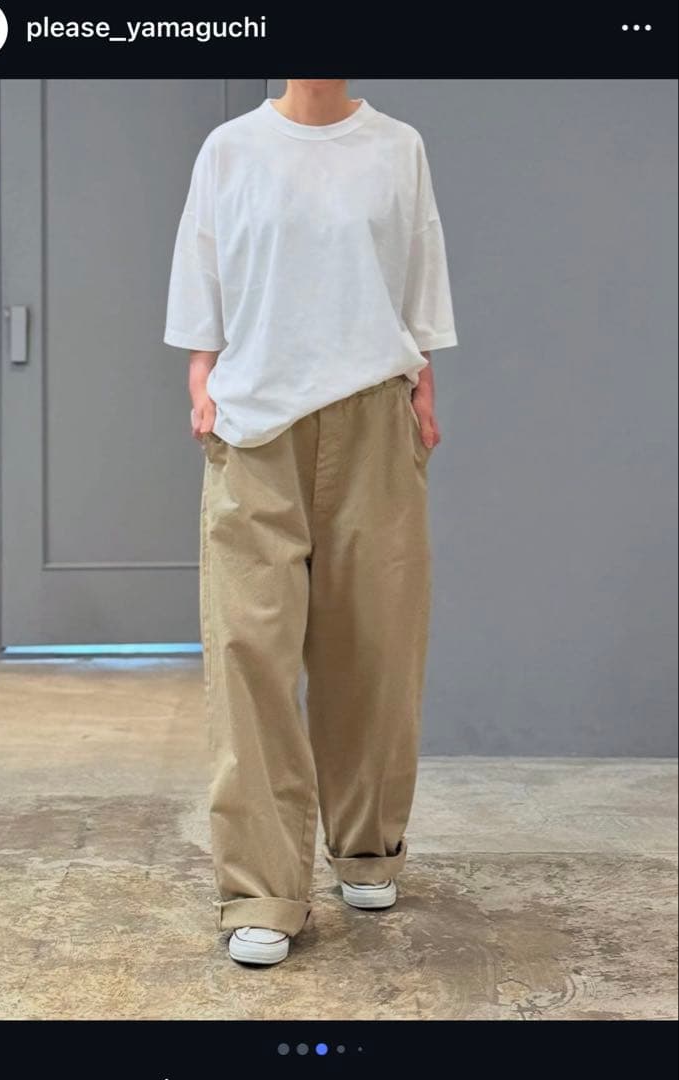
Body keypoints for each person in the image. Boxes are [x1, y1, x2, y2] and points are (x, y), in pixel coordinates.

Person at [164, 78, 458, 966]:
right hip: (256, 425)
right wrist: (201, 373)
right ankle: (261, 888)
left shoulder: (397, 147)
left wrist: (422, 382)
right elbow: (203, 274)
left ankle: (366, 846)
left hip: (373, 414)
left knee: (375, 644)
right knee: (249, 654)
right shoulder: (231, 150)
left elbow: (417, 274)